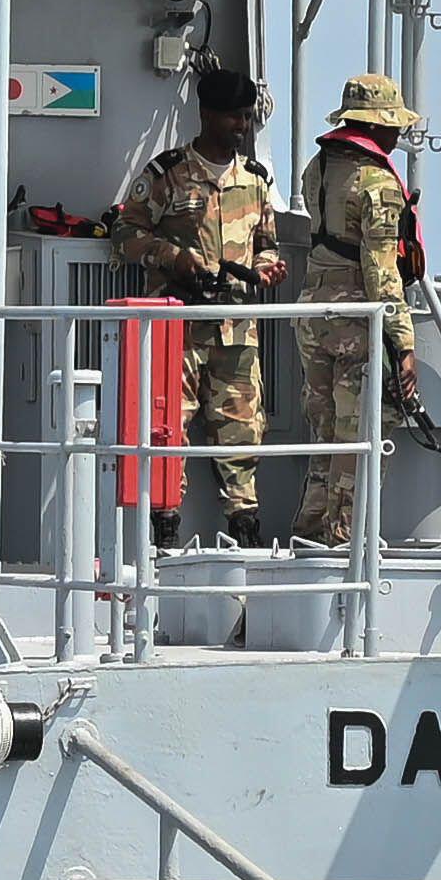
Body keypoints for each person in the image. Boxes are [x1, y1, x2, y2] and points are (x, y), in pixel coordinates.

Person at [112, 65, 282, 543]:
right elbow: (126, 233)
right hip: (177, 328)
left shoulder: (254, 179)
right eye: (234, 118)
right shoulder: (168, 175)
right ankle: (163, 539)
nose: (242, 127)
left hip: (235, 329)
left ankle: (244, 534)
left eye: (247, 118)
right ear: (208, 115)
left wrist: (267, 266)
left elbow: (267, 241)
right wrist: (172, 257)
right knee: (168, 430)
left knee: (243, 433)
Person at [289, 69, 425, 550]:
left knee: (325, 433)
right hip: (356, 316)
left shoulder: (318, 168)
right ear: (377, 125)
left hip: (312, 311)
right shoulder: (378, 184)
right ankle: (344, 542)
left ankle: (308, 534)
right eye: (394, 125)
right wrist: (403, 345)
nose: (398, 134)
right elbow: (382, 271)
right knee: (360, 433)